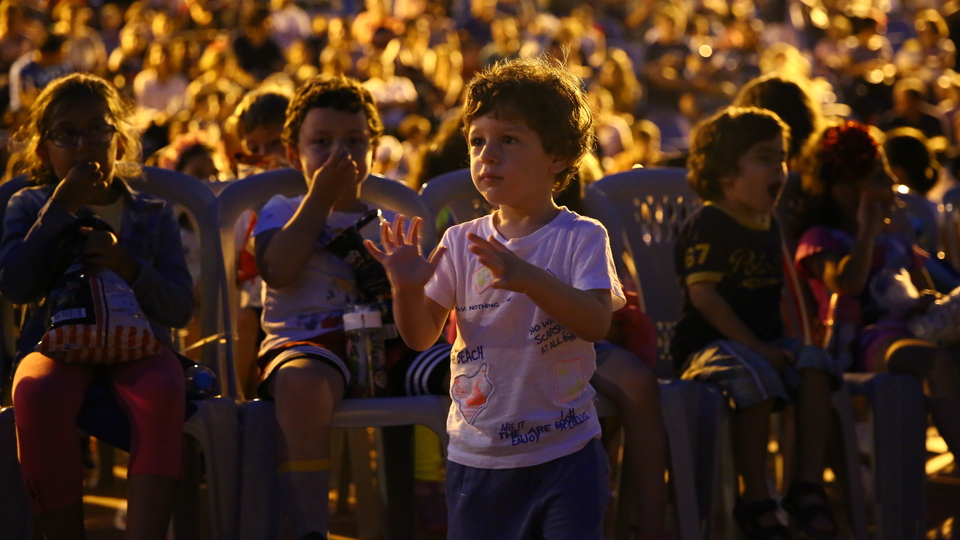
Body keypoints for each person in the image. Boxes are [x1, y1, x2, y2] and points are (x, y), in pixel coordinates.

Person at [367, 55, 624, 540]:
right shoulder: (460, 241)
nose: (487, 155)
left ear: (558, 156)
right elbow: (420, 337)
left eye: (508, 139)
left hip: (567, 451)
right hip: (480, 456)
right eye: (477, 141)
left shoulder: (581, 236)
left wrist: (530, 279)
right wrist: (405, 288)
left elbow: (595, 322)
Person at [253, 74, 451, 540]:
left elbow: (419, 308)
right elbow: (277, 270)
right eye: (322, 142)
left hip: (391, 346)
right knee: (301, 385)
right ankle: (309, 528)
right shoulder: (283, 208)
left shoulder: (388, 221)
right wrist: (320, 198)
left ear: (374, 150)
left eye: (355, 141)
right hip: (309, 344)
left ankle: (474, 504)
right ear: (293, 153)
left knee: (471, 370)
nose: (340, 153)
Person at [0, 73, 192, 539]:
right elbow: (17, 285)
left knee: (165, 387)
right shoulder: (28, 204)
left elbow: (179, 307)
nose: (83, 144)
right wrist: (61, 207)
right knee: (36, 392)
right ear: (43, 149)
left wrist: (130, 267)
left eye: (97, 130)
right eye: (66, 133)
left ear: (119, 141)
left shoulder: (152, 213)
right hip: (55, 346)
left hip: (140, 346)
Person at [674, 107, 840, 540]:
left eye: (781, 158)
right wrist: (758, 347)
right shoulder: (710, 221)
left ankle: (806, 485)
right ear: (726, 173)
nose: (780, 170)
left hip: (761, 343)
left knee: (816, 364)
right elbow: (703, 295)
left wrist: (776, 345)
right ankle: (755, 497)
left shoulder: (768, 224)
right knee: (755, 378)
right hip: (707, 347)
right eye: (765, 158)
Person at [794, 120, 960, 465]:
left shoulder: (894, 237)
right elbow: (847, 284)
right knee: (935, 362)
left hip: (910, 328)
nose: (894, 184)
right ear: (845, 192)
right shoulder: (821, 239)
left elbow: (923, 289)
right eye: (880, 177)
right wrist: (867, 231)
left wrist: (910, 252)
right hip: (864, 341)